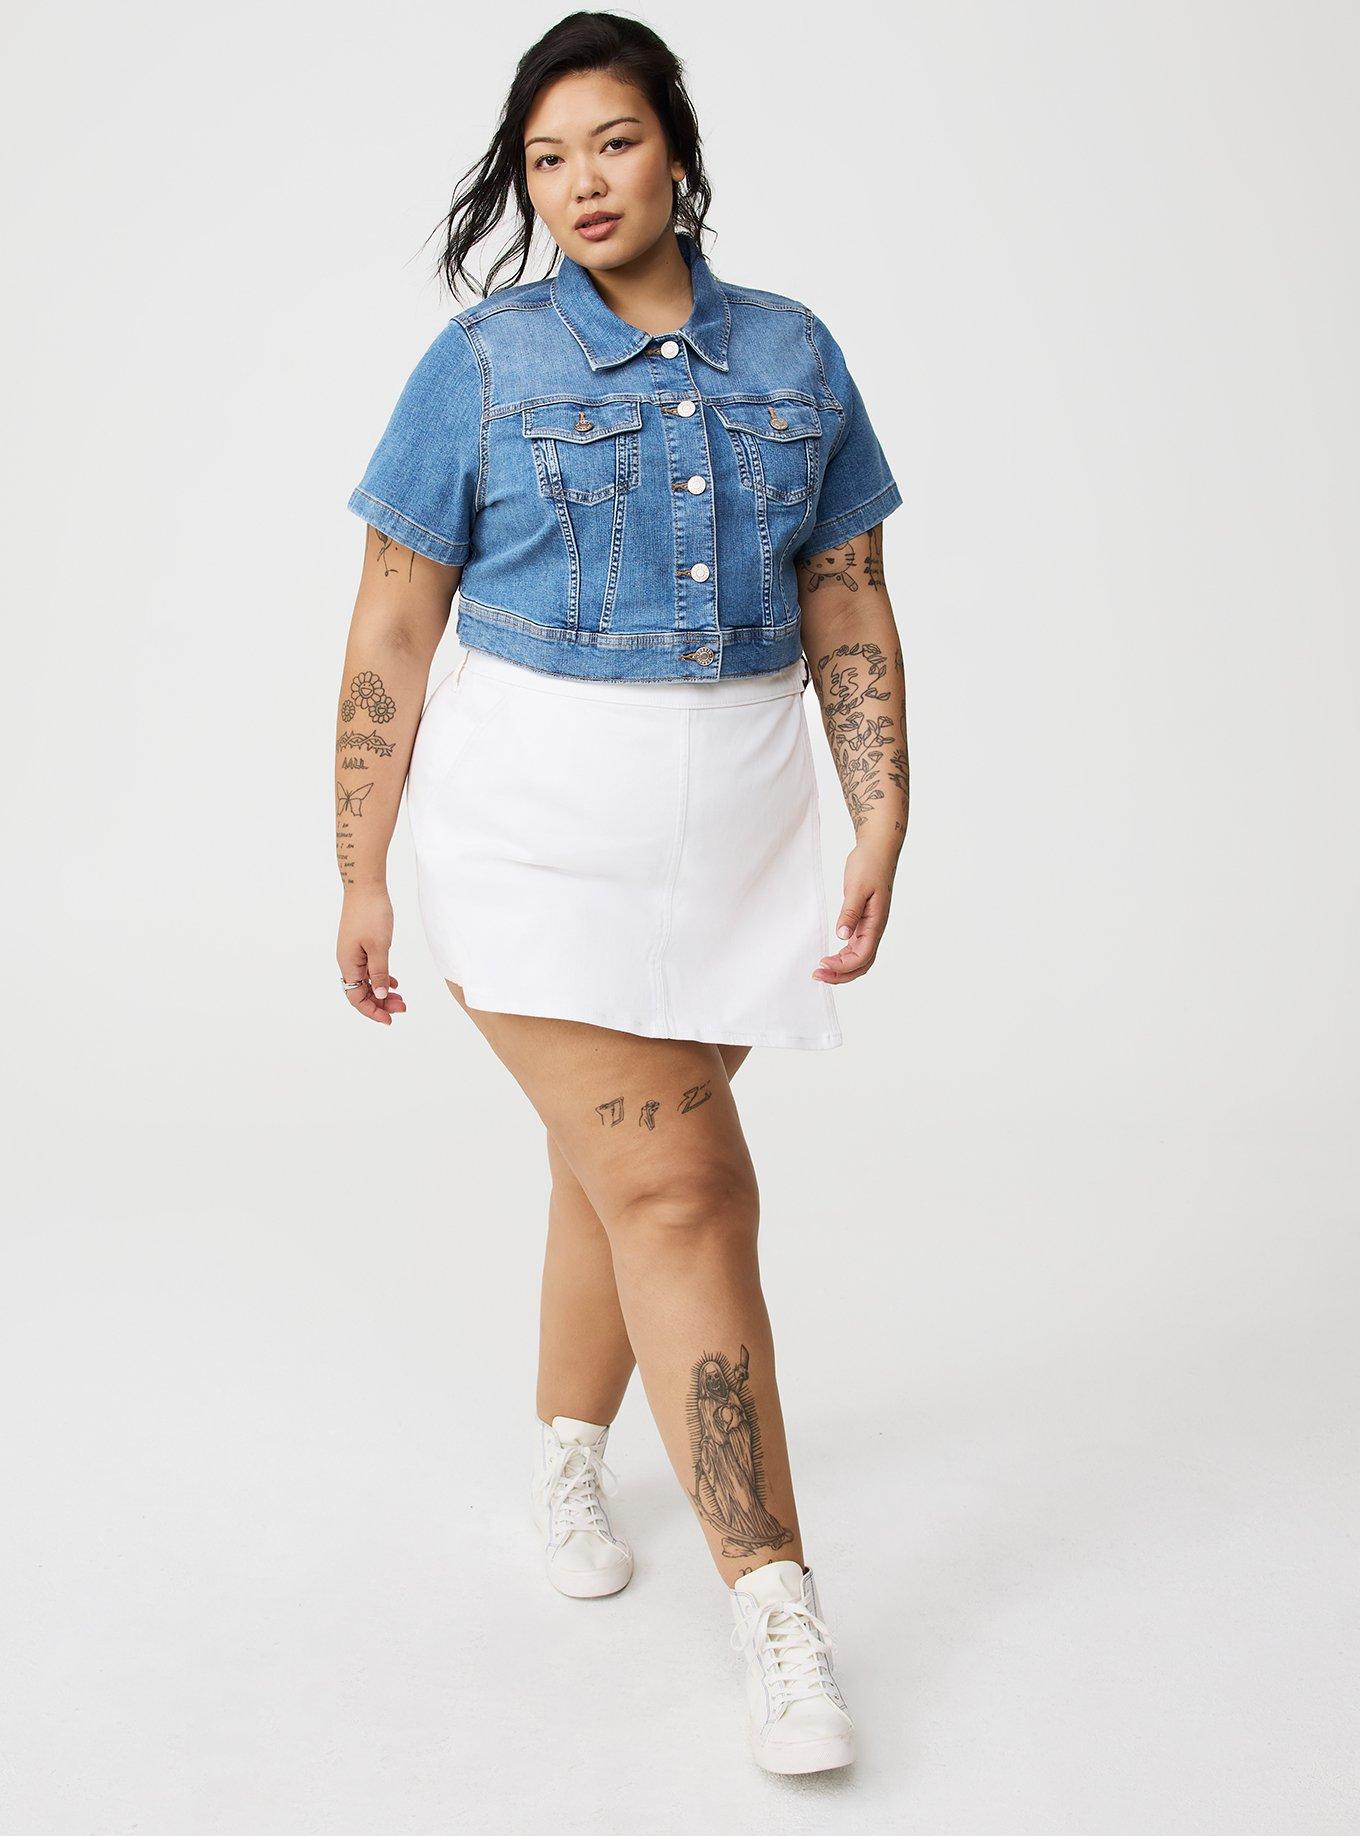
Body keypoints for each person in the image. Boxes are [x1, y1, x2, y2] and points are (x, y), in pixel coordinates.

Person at [334, 12, 908, 1777]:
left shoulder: (796, 353)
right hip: (530, 832)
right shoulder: (484, 363)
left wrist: (881, 810)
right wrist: (360, 863)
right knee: (685, 1187)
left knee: (612, 1174)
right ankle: (778, 1607)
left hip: (734, 836)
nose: (580, 184)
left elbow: (847, 596)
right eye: (546, 159)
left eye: (612, 142)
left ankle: (570, 1450)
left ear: (677, 150)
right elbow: (393, 623)